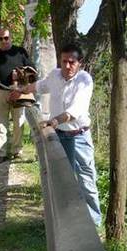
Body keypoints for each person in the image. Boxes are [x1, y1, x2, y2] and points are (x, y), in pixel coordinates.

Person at [12, 43, 101, 226]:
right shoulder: (54, 75)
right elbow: (39, 86)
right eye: (64, 61)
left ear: (80, 63)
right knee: (63, 178)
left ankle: (94, 223)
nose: (67, 66)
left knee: (87, 180)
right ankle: (66, 220)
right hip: (60, 136)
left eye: (72, 62)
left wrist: (54, 121)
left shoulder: (85, 80)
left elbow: (76, 110)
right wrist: (21, 90)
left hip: (79, 136)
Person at [0, 28, 35, 164]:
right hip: (1, 92)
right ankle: (1, 153)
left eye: (6, 38)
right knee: (0, 123)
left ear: (11, 38)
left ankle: (17, 151)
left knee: (19, 122)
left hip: (18, 91)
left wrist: (21, 78)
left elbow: (32, 70)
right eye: (1, 39)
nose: (3, 41)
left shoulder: (20, 52)